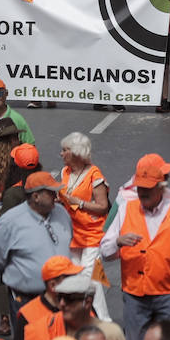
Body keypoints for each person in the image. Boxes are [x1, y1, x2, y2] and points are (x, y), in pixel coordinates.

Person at [100, 153, 170, 340]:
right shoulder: (126, 209)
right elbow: (105, 251)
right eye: (140, 188)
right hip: (135, 295)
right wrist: (118, 242)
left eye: (148, 188)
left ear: (160, 188)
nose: (143, 193)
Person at [0, 171, 75, 326]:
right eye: (51, 193)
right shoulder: (10, 221)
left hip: (62, 299)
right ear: (36, 197)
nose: (56, 197)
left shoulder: (62, 213)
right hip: (27, 300)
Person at [58, 132, 112, 321]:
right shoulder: (64, 172)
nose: (61, 154)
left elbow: (103, 207)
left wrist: (78, 203)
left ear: (76, 152)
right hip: (73, 234)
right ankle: (83, 317)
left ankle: (103, 320)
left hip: (92, 235)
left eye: (65, 150)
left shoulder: (94, 175)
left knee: (90, 279)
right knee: (74, 277)